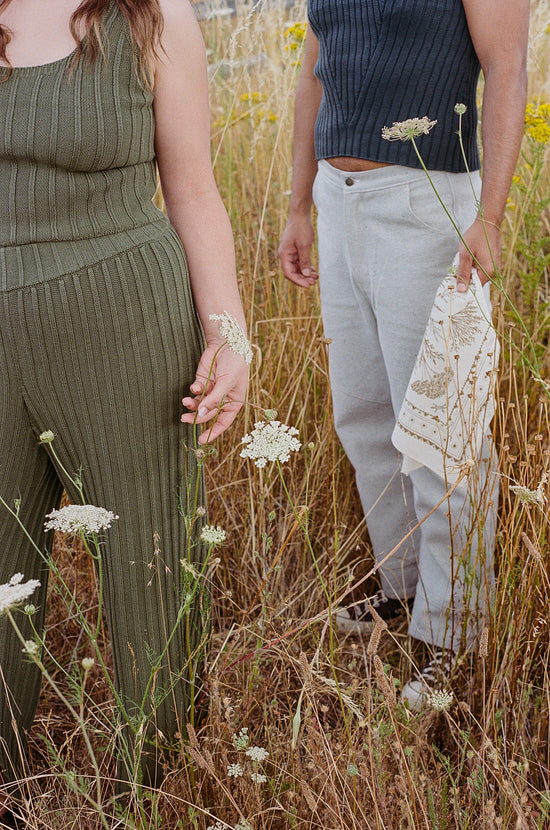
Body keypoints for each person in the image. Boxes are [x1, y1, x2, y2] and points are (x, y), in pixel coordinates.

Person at [0, 0, 248, 813]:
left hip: (125, 327)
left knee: (151, 583)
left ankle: (148, 800)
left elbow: (195, 192)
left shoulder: (153, 16)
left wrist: (230, 336)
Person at [279, 0, 529, 708]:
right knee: (363, 416)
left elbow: (507, 69)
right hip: (339, 200)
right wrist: (300, 204)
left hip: (425, 204)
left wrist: (490, 216)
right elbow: (315, 75)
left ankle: (454, 635)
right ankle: (405, 590)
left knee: (443, 429)